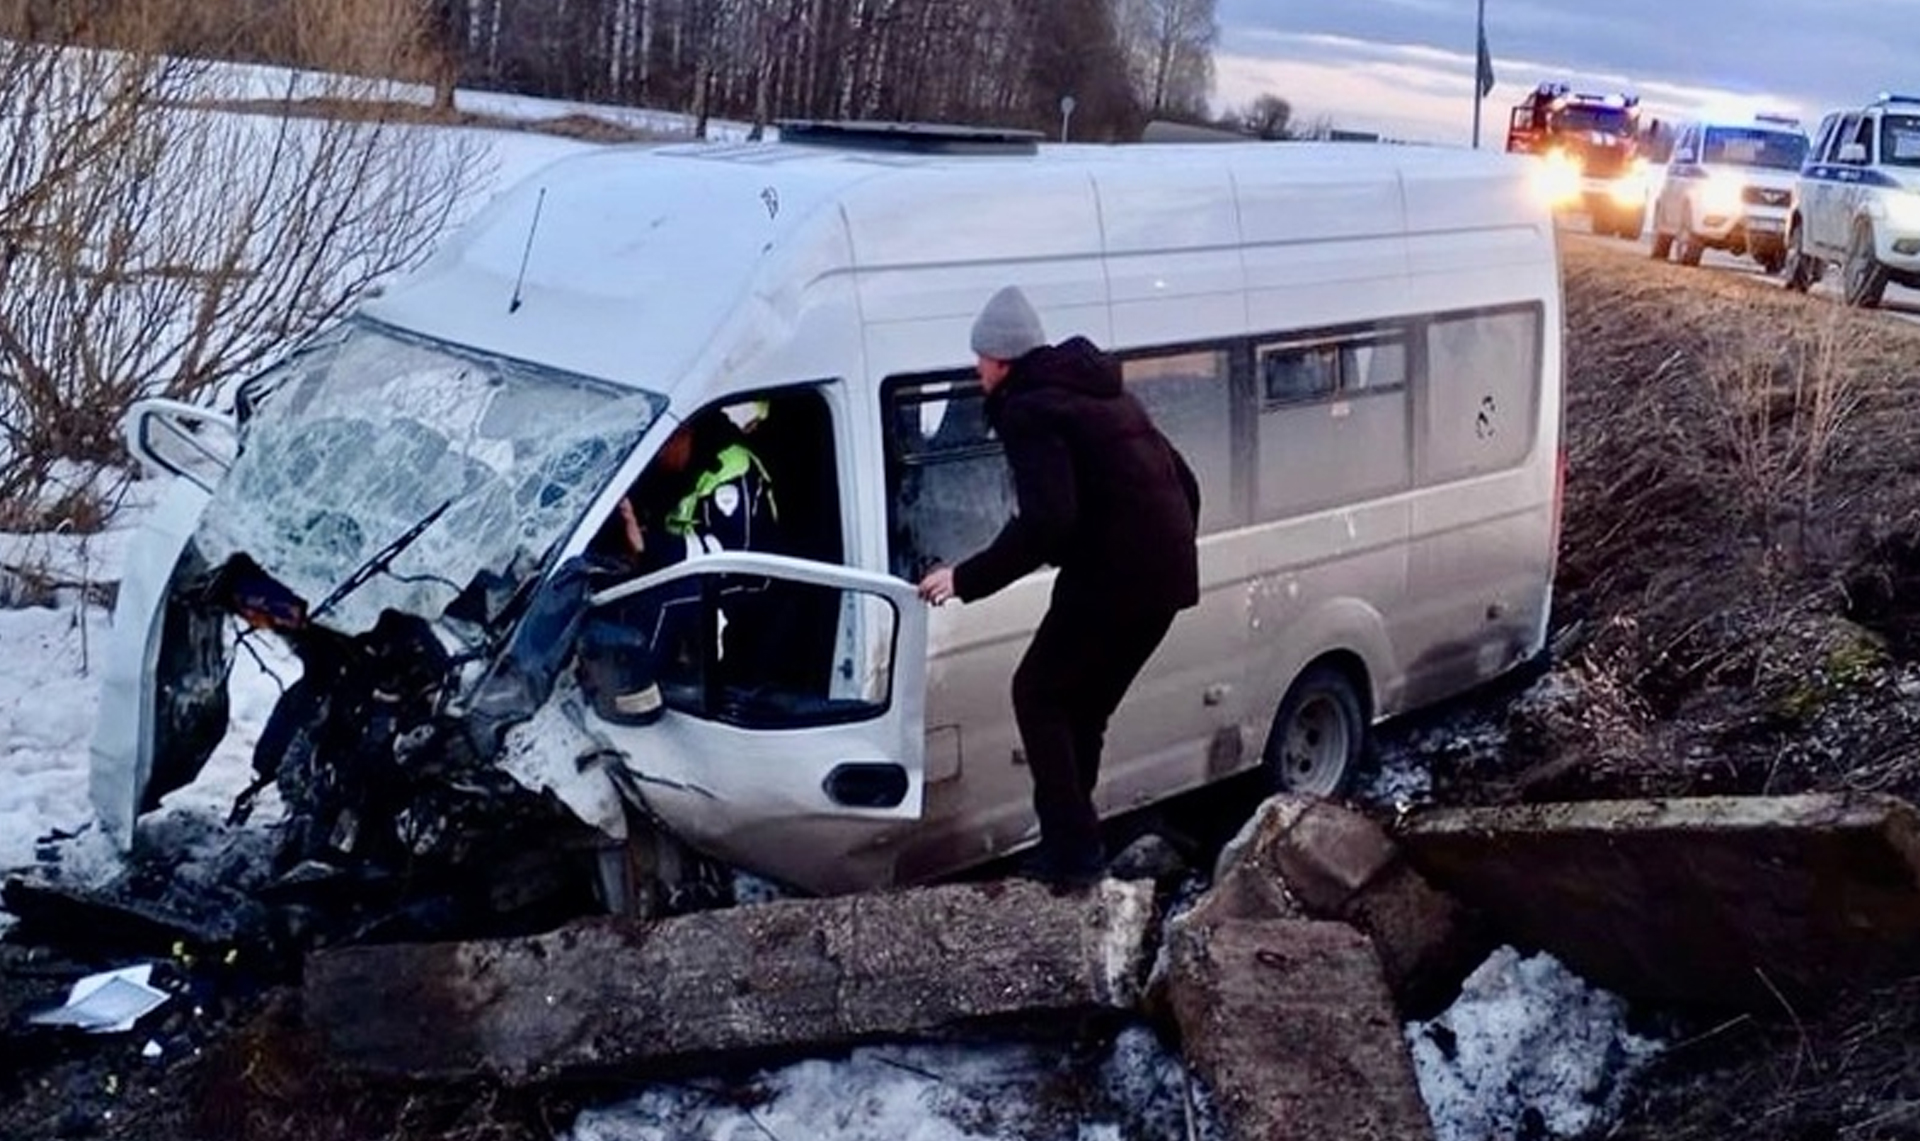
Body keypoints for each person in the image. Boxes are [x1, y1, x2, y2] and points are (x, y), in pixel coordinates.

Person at [917, 286, 1200, 889]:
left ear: (1002, 360)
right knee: (1083, 707)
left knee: (1037, 693)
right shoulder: (1103, 393)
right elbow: (1185, 479)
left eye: (981, 357)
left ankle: (1071, 855)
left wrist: (964, 579)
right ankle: (1078, 843)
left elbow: (1048, 522)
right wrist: (1165, 550)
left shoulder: (1030, 409)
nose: (976, 368)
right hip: (1163, 580)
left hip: (1112, 580)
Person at [580, 411, 783, 722]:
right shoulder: (671, 471)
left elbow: (730, 555)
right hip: (682, 565)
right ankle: (584, 674)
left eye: (659, 447)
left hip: (750, 582)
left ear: (683, 433)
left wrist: (652, 547)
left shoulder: (732, 469)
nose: (655, 458)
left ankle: (634, 697)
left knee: (662, 600)